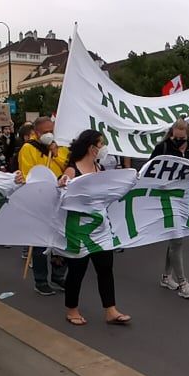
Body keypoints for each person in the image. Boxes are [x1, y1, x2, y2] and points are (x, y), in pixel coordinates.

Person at [57, 130, 130, 326]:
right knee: (77, 270)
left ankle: (111, 310)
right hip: (79, 229)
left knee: (105, 268)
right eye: (101, 144)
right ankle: (72, 309)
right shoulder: (72, 170)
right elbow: (61, 194)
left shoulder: (99, 168)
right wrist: (61, 184)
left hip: (100, 227)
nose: (103, 148)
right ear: (92, 148)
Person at [18, 117, 70, 296]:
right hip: (40, 199)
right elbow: (28, 173)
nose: (50, 134)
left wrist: (55, 153)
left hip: (60, 197)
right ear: (37, 133)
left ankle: (58, 275)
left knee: (60, 239)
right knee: (40, 242)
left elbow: (67, 166)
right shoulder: (29, 148)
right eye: (46, 131)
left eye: (52, 130)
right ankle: (40, 280)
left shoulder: (60, 147)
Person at [150, 120, 189, 299]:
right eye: (175, 137)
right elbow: (150, 170)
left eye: (182, 138)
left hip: (185, 198)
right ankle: (183, 283)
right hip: (166, 198)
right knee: (177, 239)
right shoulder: (162, 148)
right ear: (171, 134)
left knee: (175, 239)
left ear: (188, 136)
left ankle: (165, 277)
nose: (178, 140)